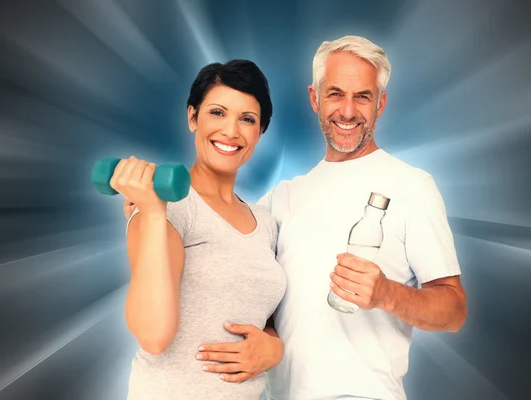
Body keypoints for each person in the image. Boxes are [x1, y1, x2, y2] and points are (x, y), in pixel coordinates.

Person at [126, 36, 467, 400]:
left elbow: (454, 310)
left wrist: (387, 294)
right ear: (314, 98)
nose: (348, 111)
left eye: (362, 96)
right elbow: (250, 296)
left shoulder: (412, 187)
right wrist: (273, 343)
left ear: (380, 103)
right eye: (335, 94)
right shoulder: (278, 202)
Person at [113, 59, 286, 400]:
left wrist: (275, 347)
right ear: (193, 117)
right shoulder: (167, 207)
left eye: (247, 119)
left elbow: (263, 316)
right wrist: (150, 212)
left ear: (260, 131)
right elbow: (153, 335)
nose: (231, 131)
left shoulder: (265, 222)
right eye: (217, 112)